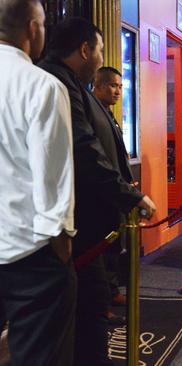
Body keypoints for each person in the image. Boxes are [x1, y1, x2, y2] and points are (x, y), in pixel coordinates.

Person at [39, 17, 157, 366]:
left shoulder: (72, 85)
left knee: (90, 309)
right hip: (73, 228)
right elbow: (84, 151)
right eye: (102, 49)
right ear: (85, 49)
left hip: (87, 228)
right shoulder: (58, 83)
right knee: (85, 315)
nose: (104, 56)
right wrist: (131, 197)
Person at [0, 1, 76, 365]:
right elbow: (53, 173)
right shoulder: (42, 85)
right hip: (29, 252)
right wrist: (60, 240)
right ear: (32, 28)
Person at [92, 66, 130, 319]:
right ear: (99, 85)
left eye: (120, 86)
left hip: (118, 191)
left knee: (116, 246)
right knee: (103, 249)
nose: (117, 91)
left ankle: (112, 289)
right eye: (113, 85)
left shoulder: (108, 113)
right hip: (101, 194)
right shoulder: (92, 112)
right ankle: (100, 302)